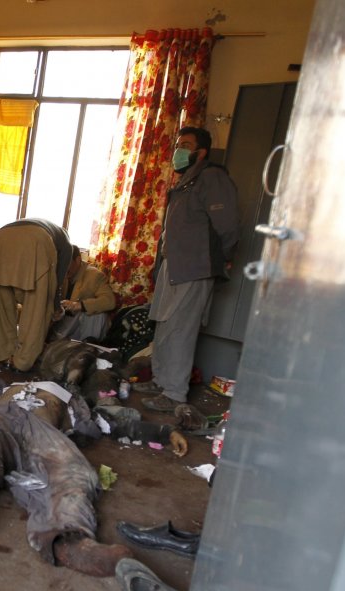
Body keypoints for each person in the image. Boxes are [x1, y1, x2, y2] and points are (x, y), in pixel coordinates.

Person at [0, 349, 185, 584]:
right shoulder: (1, 388)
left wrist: (165, 432)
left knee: (74, 473)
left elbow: (113, 424)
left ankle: (71, 542)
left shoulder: (72, 398)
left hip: (40, 431)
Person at [135, 127, 239, 412]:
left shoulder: (212, 178)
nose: (179, 150)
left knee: (181, 329)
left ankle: (174, 393)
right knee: (165, 326)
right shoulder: (185, 184)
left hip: (194, 267)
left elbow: (227, 226)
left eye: (186, 145)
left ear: (201, 152)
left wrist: (221, 258)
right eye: (178, 144)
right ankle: (160, 381)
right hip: (174, 266)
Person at [0, 218, 73, 372]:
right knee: (36, 309)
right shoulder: (67, 246)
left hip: (1, 238)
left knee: (1, 303)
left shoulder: (46, 227)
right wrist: (55, 306)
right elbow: (57, 284)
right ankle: (22, 361)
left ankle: (4, 354)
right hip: (36, 242)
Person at [49, 246, 117, 342]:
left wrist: (78, 305)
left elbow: (109, 301)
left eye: (66, 263)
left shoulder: (95, 275)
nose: (62, 267)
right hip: (62, 323)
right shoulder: (59, 273)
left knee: (97, 315)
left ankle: (87, 347)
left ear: (78, 260)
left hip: (82, 327)